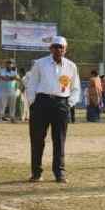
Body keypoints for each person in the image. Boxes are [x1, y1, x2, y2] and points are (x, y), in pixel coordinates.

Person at [25, 36, 81, 183]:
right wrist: (32, 103)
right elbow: (31, 84)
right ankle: (36, 173)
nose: (58, 49)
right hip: (41, 103)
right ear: (50, 48)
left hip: (61, 104)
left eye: (61, 47)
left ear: (65, 49)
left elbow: (75, 88)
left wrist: (69, 104)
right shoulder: (40, 64)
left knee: (59, 140)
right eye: (55, 46)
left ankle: (59, 173)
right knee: (37, 140)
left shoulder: (71, 66)